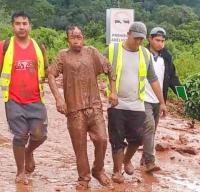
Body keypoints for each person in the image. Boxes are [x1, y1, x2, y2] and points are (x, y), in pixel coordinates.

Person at [48, 25, 118, 190]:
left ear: (83, 38)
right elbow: (51, 74)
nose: (76, 40)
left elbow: (109, 68)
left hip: (94, 107)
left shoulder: (91, 52)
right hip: (74, 109)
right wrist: (58, 99)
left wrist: (113, 92)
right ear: (68, 39)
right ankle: (84, 177)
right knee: (79, 146)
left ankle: (98, 170)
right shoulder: (63, 56)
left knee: (102, 139)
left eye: (79, 37)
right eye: (73, 37)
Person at [105, 22, 167, 183]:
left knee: (138, 138)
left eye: (141, 39)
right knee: (117, 139)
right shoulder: (113, 50)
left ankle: (126, 160)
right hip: (117, 103)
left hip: (137, 104)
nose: (138, 42)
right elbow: (97, 67)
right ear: (128, 34)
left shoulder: (145, 54)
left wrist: (162, 102)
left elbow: (152, 79)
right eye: (136, 38)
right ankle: (117, 171)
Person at [0, 12, 48, 184]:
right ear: (13, 26)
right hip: (14, 101)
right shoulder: (4, 47)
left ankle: (28, 152)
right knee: (20, 136)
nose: (21, 26)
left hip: (36, 100)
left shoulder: (39, 47)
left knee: (40, 135)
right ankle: (21, 172)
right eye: (18, 23)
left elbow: (47, 72)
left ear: (30, 26)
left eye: (25, 23)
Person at [141, 27, 181, 172]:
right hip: (143, 98)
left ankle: (144, 157)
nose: (160, 44)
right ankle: (150, 162)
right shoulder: (142, 54)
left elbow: (173, 78)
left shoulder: (167, 57)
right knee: (149, 127)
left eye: (163, 41)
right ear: (150, 39)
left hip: (159, 100)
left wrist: (184, 96)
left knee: (152, 130)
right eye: (157, 40)